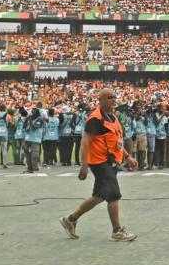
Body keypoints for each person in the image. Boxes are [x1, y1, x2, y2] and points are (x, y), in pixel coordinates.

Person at [59, 88, 138, 242]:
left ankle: (71, 219)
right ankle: (117, 230)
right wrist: (84, 165)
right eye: (109, 98)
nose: (113, 100)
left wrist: (127, 156)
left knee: (99, 196)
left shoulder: (113, 117)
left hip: (111, 162)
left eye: (115, 97)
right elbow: (85, 142)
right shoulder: (95, 118)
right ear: (100, 100)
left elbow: (116, 141)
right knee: (113, 194)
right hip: (100, 163)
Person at [23, 107, 44, 172]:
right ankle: (29, 167)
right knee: (27, 154)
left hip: (36, 139)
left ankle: (35, 167)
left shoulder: (40, 119)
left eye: (35, 111)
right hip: (27, 138)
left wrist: (30, 121)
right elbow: (24, 126)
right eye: (32, 110)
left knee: (35, 154)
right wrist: (27, 120)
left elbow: (35, 127)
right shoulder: (28, 118)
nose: (33, 112)